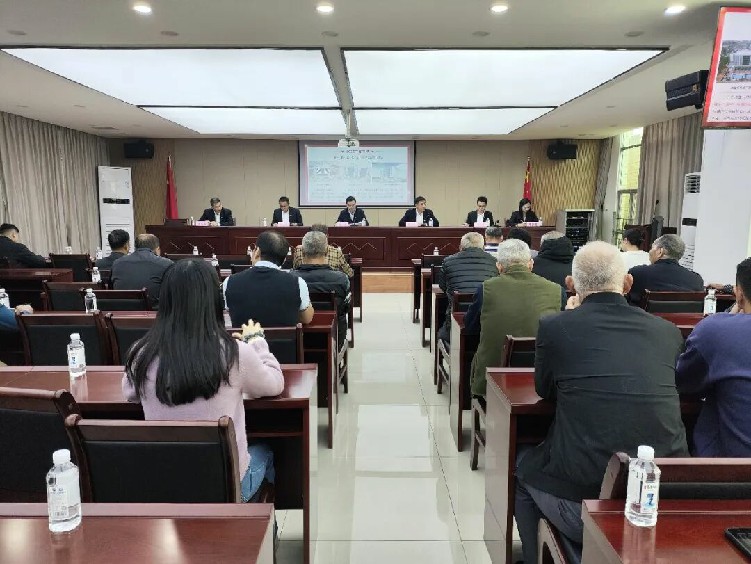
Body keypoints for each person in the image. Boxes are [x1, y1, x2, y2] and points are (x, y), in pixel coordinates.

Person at [514, 241, 688, 564]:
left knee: (522, 470)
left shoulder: (555, 326)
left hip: (584, 506)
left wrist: (570, 318)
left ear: (570, 285)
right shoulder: (667, 331)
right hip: (663, 503)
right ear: (627, 284)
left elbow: (545, 389)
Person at [122, 258, 284, 502]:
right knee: (266, 452)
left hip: (164, 488)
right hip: (227, 490)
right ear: (214, 302)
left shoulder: (142, 354)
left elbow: (128, 392)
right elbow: (274, 384)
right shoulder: (235, 353)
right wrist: (258, 342)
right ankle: (258, 525)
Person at [466, 239, 562, 397]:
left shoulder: (486, 289)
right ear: (530, 264)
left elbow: (470, 328)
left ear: (499, 266)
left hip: (492, 379)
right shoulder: (556, 290)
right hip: (542, 380)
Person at [676, 257, 751, 457]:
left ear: (739, 294)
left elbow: (684, 382)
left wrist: (729, 316)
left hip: (728, 471)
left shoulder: (716, 330)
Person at [224, 230, 314, 328]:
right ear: (284, 260)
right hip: (283, 338)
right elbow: (307, 318)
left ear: (257, 251)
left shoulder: (229, 282)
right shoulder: (298, 283)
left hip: (244, 337)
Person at [437, 232, 497, 343]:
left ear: (461, 247)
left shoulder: (448, 261)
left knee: (441, 333)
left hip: (456, 322)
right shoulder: (495, 262)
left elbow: (442, 286)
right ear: (483, 247)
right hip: (488, 321)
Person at [294, 231, 350, 349]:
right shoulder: (341, 279)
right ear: (326, 251)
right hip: (334, 340)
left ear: (302, 251)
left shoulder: (290, 279)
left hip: (299, 341)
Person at [627, 234, 704, 305]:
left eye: (652, 248)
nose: (650, 251)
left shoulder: (637, 273)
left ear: (660, 252)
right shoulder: (696, 280)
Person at [111, 234, 173, 308]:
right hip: (153, 312)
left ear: (135, 247)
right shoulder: (166, 264)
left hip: (121, 311)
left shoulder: (117, 263)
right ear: (157, 249)